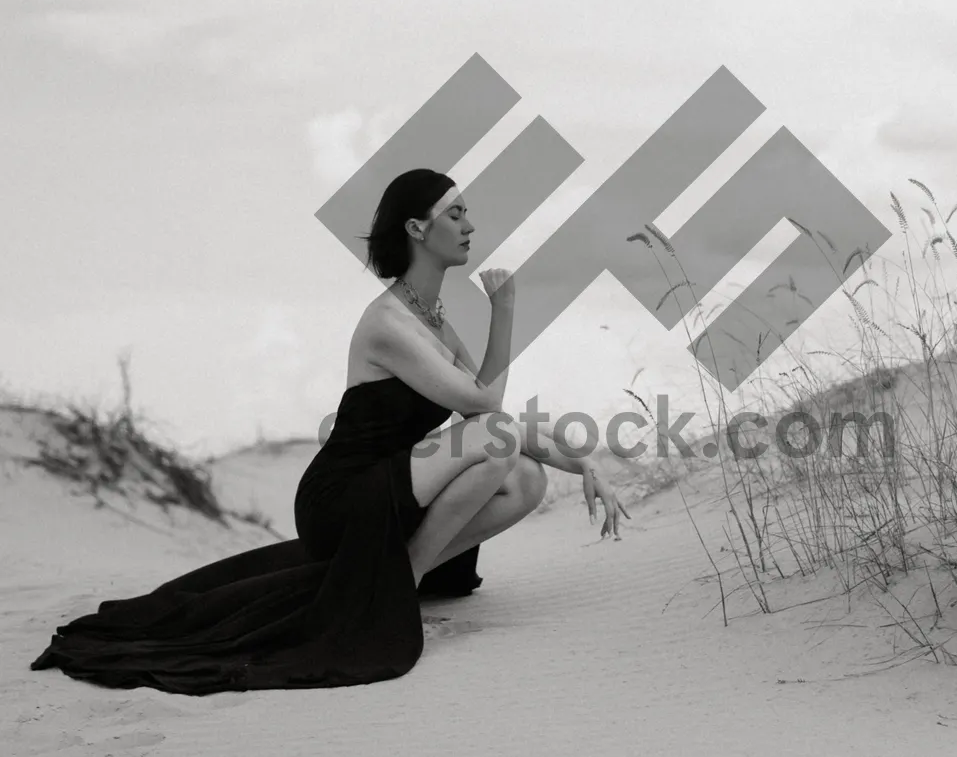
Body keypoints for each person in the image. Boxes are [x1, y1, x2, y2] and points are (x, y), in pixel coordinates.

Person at [30, 168, 629, 696]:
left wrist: (583, 464)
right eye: (455, 212)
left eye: (467, 211)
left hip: (399, 492)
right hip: (342, 499)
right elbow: (488, 405)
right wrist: (504, 312)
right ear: (418, 231)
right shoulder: (390, 323)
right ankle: (404, 587)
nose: (469, 224)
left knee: (525, 478)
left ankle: (401, 580)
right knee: (498, 442)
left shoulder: (435, 323)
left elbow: (488, 418)